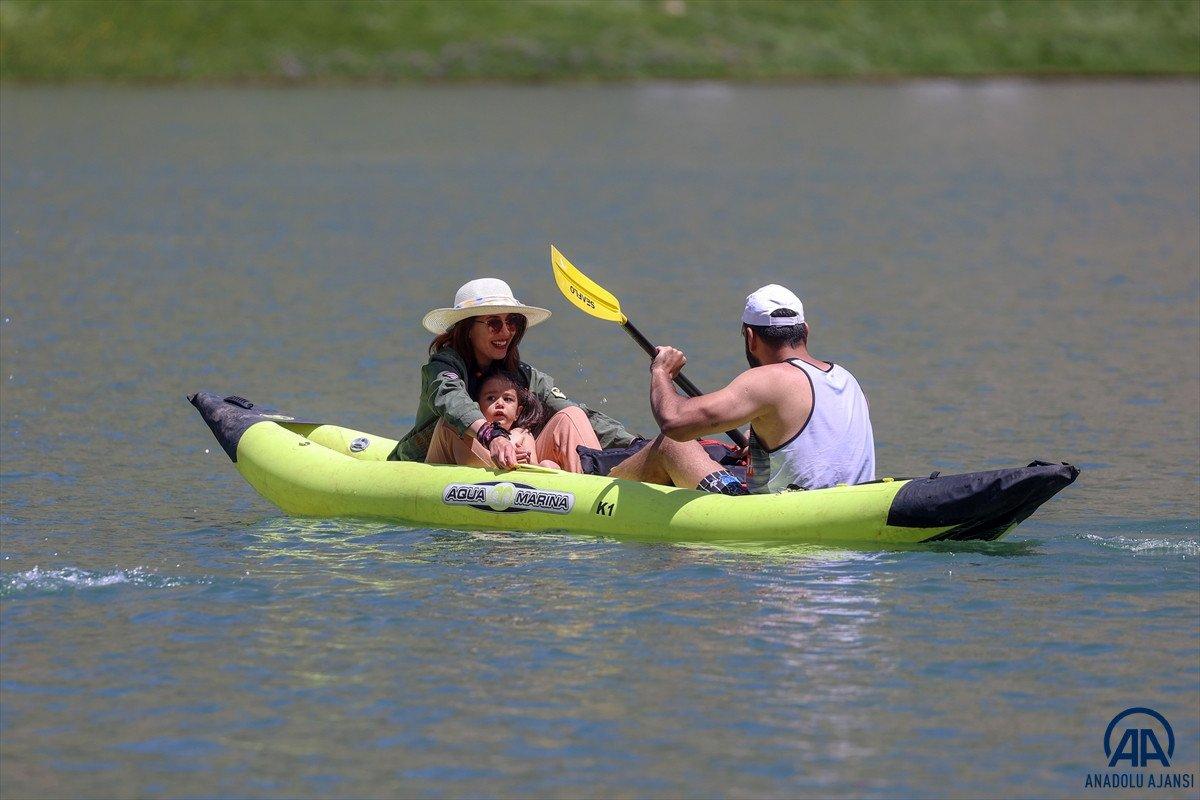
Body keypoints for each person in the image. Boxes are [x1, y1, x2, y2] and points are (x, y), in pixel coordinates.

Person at [392, 277, 745, 495]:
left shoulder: (523, 375)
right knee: (457, 426)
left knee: (571, 414)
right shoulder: (444, 366)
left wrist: (640, 445)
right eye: (494, 323)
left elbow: (583, 416)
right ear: (467, 328)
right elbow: (451, 401)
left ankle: (595, 495)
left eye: (512, 322)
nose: (507, 332)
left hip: (506, 457)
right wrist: (493, 435)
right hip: (435, 459)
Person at [646, 284, 875, 493]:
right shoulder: (846, 378)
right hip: (853, 504)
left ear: (750, 337)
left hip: (789, 514)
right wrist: (762, 444)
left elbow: (674, 422)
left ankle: (612, 488)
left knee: (671, 445)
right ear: (805, 331)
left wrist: (661, 372)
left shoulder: (770, 379)